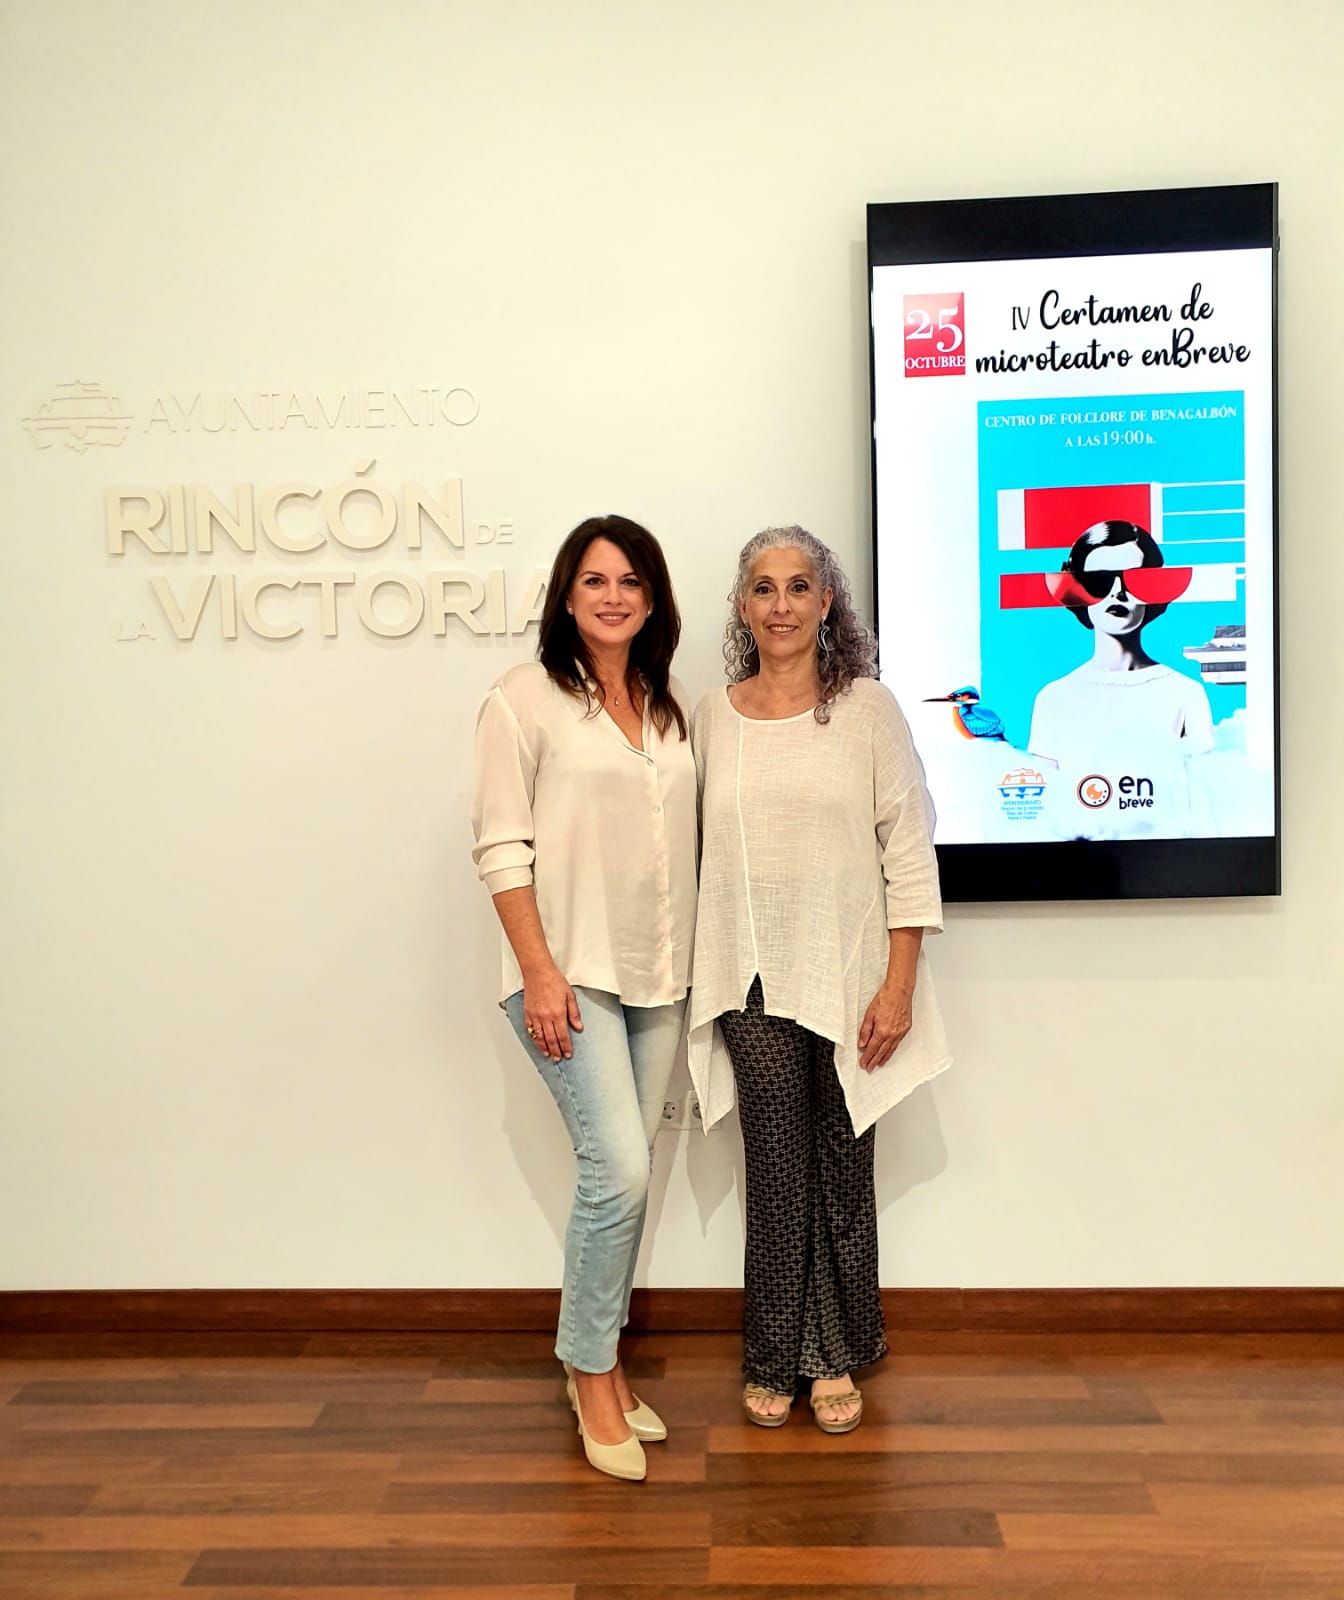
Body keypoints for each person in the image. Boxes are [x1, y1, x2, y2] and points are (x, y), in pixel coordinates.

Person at [687, 526, 950, 1433]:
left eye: (799, 586)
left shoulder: (868, 711)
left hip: (851, 977)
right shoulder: (712, 716)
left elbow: (909, 849)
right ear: (742, 606)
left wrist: (899, 984)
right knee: (777, 1169)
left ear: (827, 601)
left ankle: (832, 1357)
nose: (782, 605)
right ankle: (774, 1358)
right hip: (749, 979)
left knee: (841, 1165)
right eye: (764, 588)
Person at [471, 515, 696, 1481]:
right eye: (595, 580)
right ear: (566, 596)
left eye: (631, 581)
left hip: (661, 973)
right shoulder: (523, 699)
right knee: (621, 1174)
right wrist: (538, 971)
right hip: (568, 975)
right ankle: (592, 1374)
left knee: (621, 1176)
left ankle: (591, 1358)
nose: (614, 596)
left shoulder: (667, 705)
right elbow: (500, 844)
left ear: (653, 600)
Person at [1028, 520, 1214, 838]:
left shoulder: (1185, 694)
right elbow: (1043, 816)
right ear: (1078, 589)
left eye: (1135, 580)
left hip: (1167, 860)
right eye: (1099, 581)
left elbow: (1204, 808)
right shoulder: (1053, 698)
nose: (1118, 593)